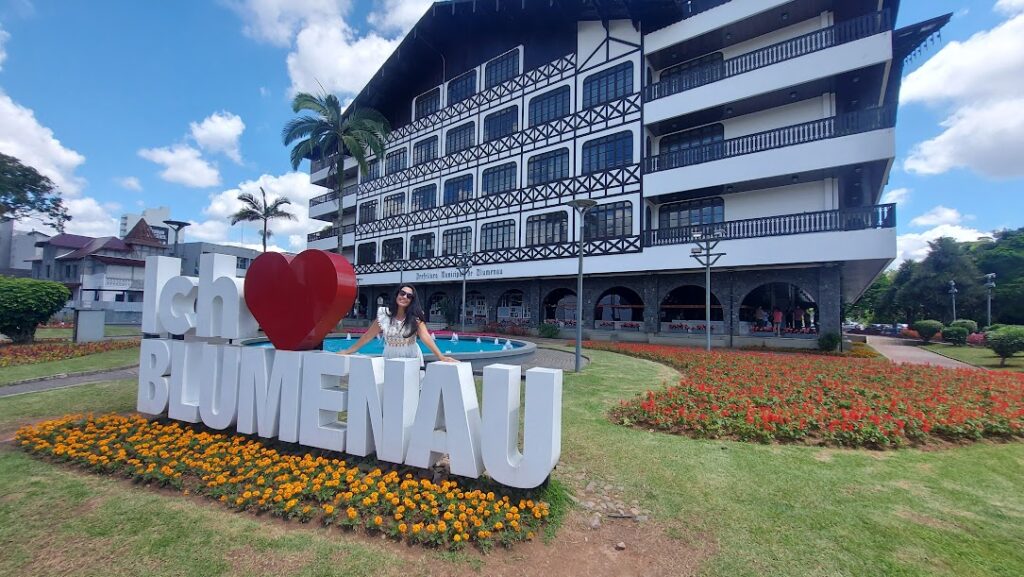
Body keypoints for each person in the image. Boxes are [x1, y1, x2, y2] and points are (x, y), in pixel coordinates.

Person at [340, 285, 457, 365]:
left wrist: (441, 357)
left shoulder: (415, 316)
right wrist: (349, 351)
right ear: (397, 295)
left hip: (411, 356)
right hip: (390, 355)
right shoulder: (384, 315)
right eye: (402, 293)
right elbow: (368, 336)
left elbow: (426, 337)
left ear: (412, 300)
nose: (405, 297)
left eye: (409, 296)